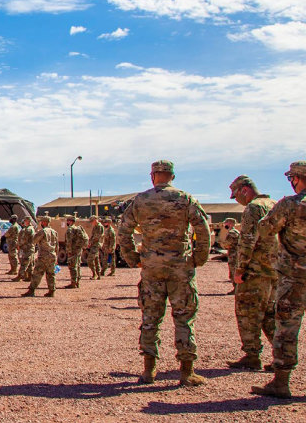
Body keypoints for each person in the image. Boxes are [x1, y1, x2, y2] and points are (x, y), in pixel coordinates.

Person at [118, 160, 211, 387]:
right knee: (184, 318)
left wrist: (133, 258)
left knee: (150, 317)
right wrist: (199, 257)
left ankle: (149, 371)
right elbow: (203, 228)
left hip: (152, 268)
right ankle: (186, 372)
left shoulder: (141, 200)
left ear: (153, 176)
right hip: (180, 266)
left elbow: (124, 230)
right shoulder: (185, 198)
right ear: (172, 176)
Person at [251, 161, 306, 399]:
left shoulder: (290, 204)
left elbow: (266, 229)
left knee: (287, 329)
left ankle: (281, 382)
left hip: (295, 277)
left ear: (296, 179)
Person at [226, 175, 278, 371]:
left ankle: (252, 355)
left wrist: (240, 270)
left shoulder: (254, 208)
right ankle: (281, 355)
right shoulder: (274, 204)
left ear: (245, 190)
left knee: (247, 312)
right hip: (275, 270)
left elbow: (248, 240)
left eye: (236, 195)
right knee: (271, 314)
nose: (236, 200)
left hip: (255, 271)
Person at [22, 216, 58, 297]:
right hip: (52, 255)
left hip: (44, 255)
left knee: (37, 273)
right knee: (51, 274)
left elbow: (34, 241)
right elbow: (57, 246)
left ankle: (31, 290)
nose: (40, 223)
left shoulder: (42, 231)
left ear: (44, 222)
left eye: (41, 222)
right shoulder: (54, 231)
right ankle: (52, 291)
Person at [64, 216, 88, 289]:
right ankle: (77, 282)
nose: (67, 222)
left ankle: (73, 283)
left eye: (68, 221)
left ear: (71, 221)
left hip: (73, 250)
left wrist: (69, 251)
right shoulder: (78, 228)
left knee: (72, 266)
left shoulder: (70, 230)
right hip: (78, 250)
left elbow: (69, 242)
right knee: (77, 266)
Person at [13, 216, 34, 282]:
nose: (24, 222)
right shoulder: (31, 228)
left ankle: (19, 276)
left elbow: (24, 239)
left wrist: (19, 245)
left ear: (27, 221)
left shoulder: (28, 229)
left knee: (24, 263)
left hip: (26, 248)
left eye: (25, 221)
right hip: (31, 248)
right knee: (30, 264)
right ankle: (29, 277)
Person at [222, 217, 239, 291]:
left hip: (233, 254)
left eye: (226, 223)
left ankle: (236, 289)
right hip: (235, 253)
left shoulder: (232, 233)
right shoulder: (236, 232)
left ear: (230, 224)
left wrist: (224, 244)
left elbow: (226, 244)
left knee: (233, 271)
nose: (225, 224)